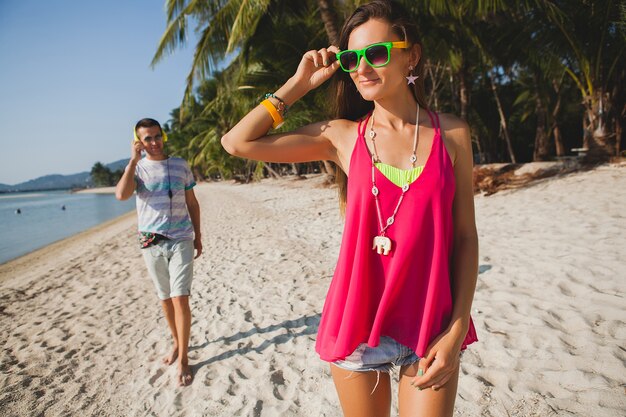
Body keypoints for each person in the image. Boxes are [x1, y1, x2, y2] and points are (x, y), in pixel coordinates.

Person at [222, 0, 478, 415]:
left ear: (410, 55)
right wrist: (299, 84)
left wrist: (458, 326)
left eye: (375, 53)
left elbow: (465, 236)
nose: (361, 67)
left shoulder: (452, 133)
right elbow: (237, 143)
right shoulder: (342, 136)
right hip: (357, 325)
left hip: (431, 321)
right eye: (350, 57)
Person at [116, 118, 202, 387]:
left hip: (181, 239)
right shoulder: (137, 169)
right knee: (165, 298)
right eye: (147, 139)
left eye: (156, 136)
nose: (153, 143)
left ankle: (184, 360)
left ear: (163, 136)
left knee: (180, 298)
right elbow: (121, 195)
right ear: (138, 142)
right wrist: (132, 161)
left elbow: (192, 202)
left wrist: (198, 236)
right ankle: (176, 343)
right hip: (151, 242)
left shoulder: (180, 165)